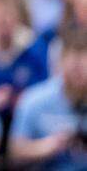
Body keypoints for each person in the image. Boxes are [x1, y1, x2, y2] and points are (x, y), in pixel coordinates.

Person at [10, 27, 87, 169]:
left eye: (84, 59)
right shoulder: (34, 99)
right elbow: (16, 151)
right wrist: (48, 146)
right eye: (73, 59)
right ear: (60, 61)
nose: (79, 69)